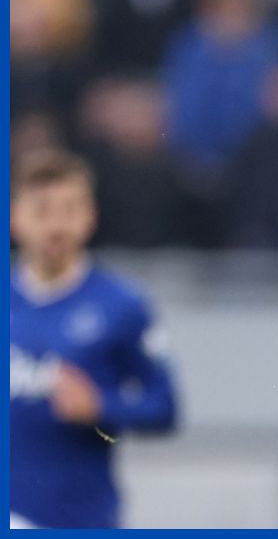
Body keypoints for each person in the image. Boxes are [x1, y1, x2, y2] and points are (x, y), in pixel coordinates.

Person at [9, 150, 178, 528]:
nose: (56, 225)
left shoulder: (121, 305)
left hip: (81, 518)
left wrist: (101, 407)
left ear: (90, 217)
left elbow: (164, 407)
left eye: (69, 210)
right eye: (42, 210)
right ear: (14, 217)